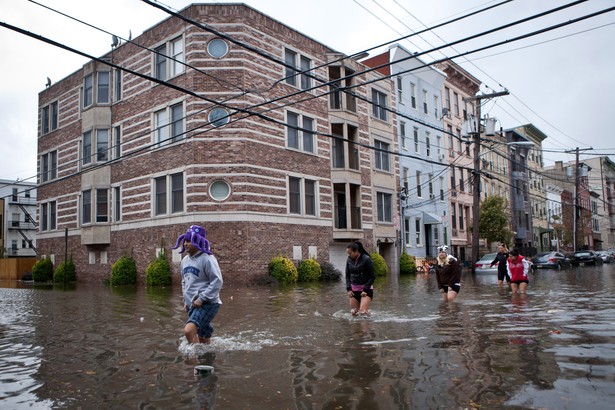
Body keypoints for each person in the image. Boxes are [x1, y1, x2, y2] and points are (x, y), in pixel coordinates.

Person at [172, 225, 223, 344]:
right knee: (203, 338)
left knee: (189, 331)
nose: (185, 243)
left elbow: (217, 281)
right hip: (193, 305)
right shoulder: (185, 260)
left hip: (208, 303)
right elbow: (184, 281)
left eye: (189, 240)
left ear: (198, 241)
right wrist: (186, 301)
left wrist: (201, 298)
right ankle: (207, 357)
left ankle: (193, 360)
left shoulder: (207, 259)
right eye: (185, 240)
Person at [345, 241, 375, 316]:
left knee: (362, 312)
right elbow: (347, 275)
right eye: (348, 253)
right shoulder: (349, 260)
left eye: (350, 253)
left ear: (356, 251)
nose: (349, 255)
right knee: (354, 313)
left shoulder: (366, 259)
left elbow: (372, 276)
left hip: (366, 291)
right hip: (353, 291)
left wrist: (365, 289)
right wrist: (348, 289)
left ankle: (366, 324)